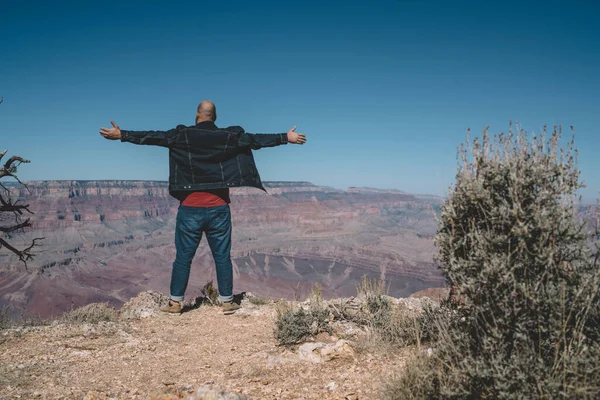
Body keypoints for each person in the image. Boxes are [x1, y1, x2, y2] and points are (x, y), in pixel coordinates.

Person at [99, 100, 306, 314]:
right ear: (215, 117)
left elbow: (152, 137)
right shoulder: (229, 136)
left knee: (183, 257)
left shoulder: (181, 135)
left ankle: (175, 303)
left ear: (197, 115)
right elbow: (256, 140)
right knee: (222, 256)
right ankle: (227, 301)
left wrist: (122, 134)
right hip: (219, 208)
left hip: (190, 208)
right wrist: (285, 138)